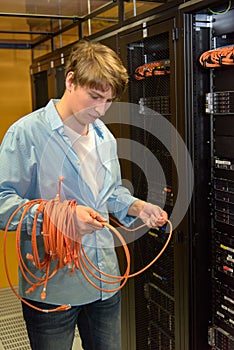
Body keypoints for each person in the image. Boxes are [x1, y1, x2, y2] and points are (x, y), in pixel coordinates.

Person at [0, 40, 168, 350]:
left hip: (104, 280)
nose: (100, 109)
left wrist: (136, 207)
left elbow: (109, 193)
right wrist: (61, 216)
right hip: (53, 286)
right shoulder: (27, 134)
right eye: (94, 97)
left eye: (108, 100)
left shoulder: (103, 135)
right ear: (71, 80)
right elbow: (2, 201)